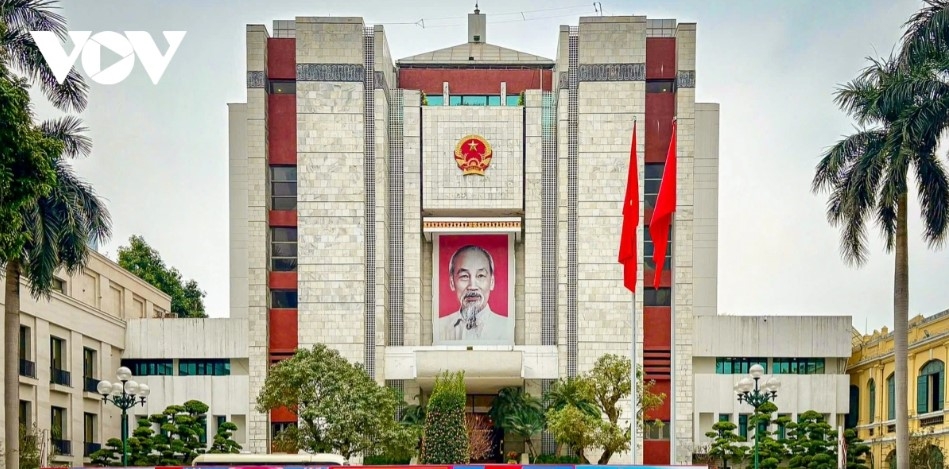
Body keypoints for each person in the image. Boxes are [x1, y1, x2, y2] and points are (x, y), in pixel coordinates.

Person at [438, 245, 511, 343]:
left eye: (480, 275)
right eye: (464, 276)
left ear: (492, 282)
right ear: (452, 283)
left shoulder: (507, 328)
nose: (472, 286)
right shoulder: (439, 328)